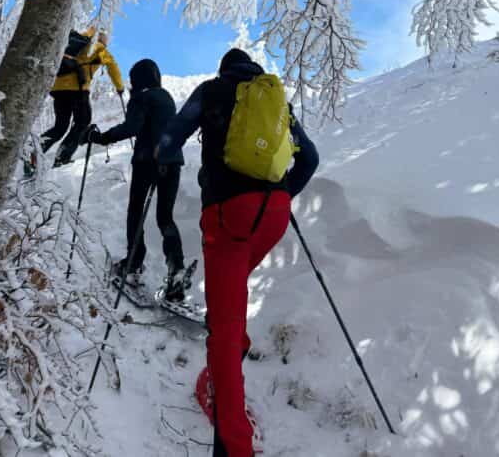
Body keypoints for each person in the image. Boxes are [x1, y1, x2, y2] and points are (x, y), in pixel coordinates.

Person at [157, 48, 319, 457]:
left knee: (223, 330)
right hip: (273, 214)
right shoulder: (273, 100)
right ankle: (229, 361)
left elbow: (170, 138)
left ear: (223, 70)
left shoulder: (211, 90)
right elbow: (310, 159)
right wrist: (280, 194)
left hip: (229, 217)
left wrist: (165, 159)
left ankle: (234, 444)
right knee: (231, 297)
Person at [87, 58, 188, 302]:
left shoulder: (142, 98)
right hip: (172, 162)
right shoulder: (166, 98)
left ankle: (132, 265)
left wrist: (100, 138)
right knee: (165, 217)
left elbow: (131, 127)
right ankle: (176, 271)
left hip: (147, 161)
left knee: (135, 211)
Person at [42, 27, 124, 167]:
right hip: (78, 90)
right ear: (102, 39)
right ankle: (62, 156)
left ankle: (33, 150)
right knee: (82, 122)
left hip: (58, 89)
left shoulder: (73, 44)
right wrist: (120, 88)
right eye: (106, 40)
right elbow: (113, 67)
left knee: (60, 127)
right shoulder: (98, 48)